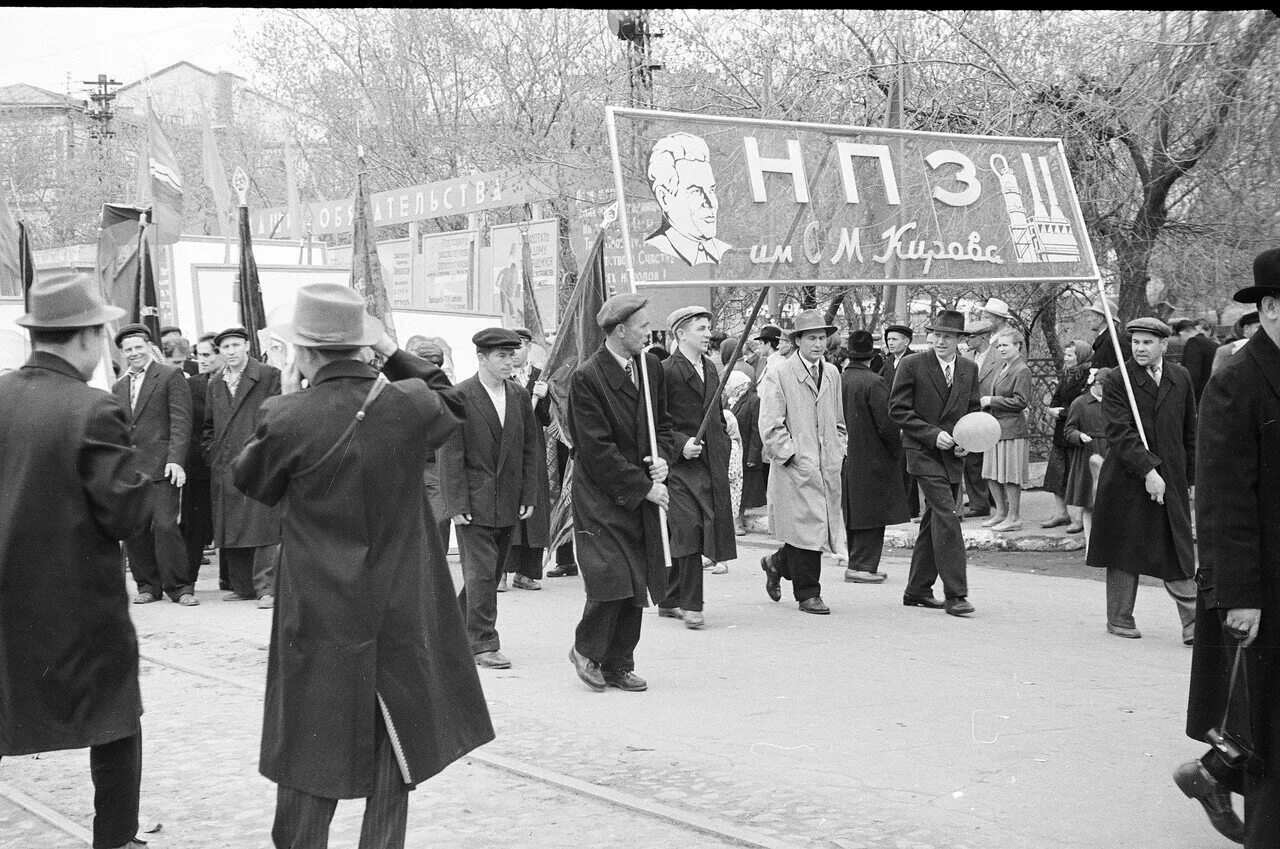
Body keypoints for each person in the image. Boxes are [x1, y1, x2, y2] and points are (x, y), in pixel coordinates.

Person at [230, 283, 494, 849]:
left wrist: (280, 398)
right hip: (402, 597)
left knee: (309, 737)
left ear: (304, 353)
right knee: (394, 737)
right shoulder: (410, 404)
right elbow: (447, 394)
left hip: (320, 605)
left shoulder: (285, 415)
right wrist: (391, 350)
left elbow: (249, 482)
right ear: (364, 346)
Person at [0, 271, 151, 849]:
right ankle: (115, 839)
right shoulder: (93, 409)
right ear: (88, 337)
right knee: (114, 719)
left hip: (7, 599)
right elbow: (125, 516)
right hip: (78, 603)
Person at [1179, 248, 1280, 847]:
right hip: (1263, 586)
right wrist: (1240, 596)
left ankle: (1214, 773)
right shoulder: (1236, 383)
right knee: (1269, 729)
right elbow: (1220, 502)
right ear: (1268, 309)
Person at [566, 293, 674, 692]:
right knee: (613, 576)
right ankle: (586, 651)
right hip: (602, 495)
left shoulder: (649, 368)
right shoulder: (587, 378)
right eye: (643, 327)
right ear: (620, 331)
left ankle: (618, 662)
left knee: (638, 577)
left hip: (641, 487)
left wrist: (664, 459)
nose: (649, 332)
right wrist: (644, 487)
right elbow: (596, 450)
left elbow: (662, 425)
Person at [1087, 317, 1197, 642]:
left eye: (1148, 342)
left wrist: (1188, 479)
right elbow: (1119, 433)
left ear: (1164, 345)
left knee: (1178, 547)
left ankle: (1193, 624)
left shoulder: (1181, 376)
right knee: (1125, 545)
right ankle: (1119, 617)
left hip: (1172, 477)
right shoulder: (1119, 379)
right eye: (1136, 342)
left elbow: (1189, 431)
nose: (1140, 348)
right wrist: (1148, 471)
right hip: (1127, 477)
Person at [439, 328, 541, 669]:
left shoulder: (519, 396)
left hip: (509, 499)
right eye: (500, 356)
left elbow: (529, 448)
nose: (508, 362)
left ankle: (449, 628)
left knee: (489, 572)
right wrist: (456, 504)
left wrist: (529, 494)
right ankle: (483, 644)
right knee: (483, 574)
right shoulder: (460, 395)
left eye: (512, 355)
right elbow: (449, 454)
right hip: (474, 501)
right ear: (481, 358)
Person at [889, 309, 981, 617]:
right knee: (947, 513)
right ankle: (956, 594)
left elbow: (973, 413)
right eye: (937, 335)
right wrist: (932, 434)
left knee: (934, 521)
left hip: (953, 454)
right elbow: (898, 411)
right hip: (922, 451)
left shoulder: (968, 369)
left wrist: (967, 444)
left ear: (960, 340)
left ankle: (916, 589)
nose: (940, 341)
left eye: (948, 336)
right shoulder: (912, 364)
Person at [758, 310, 846, 615]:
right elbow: (770, 424)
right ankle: (808, 593)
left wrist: (839, 449)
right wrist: (792, 455)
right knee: (808, 526)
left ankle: (776, 562)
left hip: (826, 464)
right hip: (796, 466)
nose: (818, 344)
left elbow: (838, 420)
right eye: (811, 338)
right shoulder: (779, 373)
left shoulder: (832, 373)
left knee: (812, 528)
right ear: (797, 341)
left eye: (822, 337)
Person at [658, 306, 737, 629]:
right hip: (678, 466)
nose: (708, 334)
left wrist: (725, 430)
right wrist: (680, 444)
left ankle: (668, 598)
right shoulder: (665, 370)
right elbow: (655, 423)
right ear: (681, 334)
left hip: (708, 463)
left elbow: (714, 412)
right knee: (688, 527)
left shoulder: (711, 368)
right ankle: (692, 604)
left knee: (697, 528)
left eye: (708, 328)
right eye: (701, 329)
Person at [111, 323, 195, 605]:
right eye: (128, 349)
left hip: (163, 467)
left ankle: (180, 587)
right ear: (122, 353)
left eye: (138, 347)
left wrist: (176, 460)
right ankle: (147, 585)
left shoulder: (170, 376)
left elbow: (181, 421)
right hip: (131, 470)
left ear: (149, 347)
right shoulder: (119, 386)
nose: (134, 353)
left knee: (165, 526)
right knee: (135, 529)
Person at [203, 326, 282, 609]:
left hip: (259, 457)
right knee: (232, 523)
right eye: (225, 348)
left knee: (263, 525)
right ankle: (243, 586)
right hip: (226, 462)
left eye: (236, 345)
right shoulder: (216, 383)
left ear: (247, 346)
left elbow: (275, 414)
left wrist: (264, 450)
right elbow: (209, 427)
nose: (231, 351)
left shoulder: (269, 375)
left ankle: (266, 589)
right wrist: (212, 453)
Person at [841, 330, 908, 583]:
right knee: (872, 512)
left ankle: (856, 562)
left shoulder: (840, 379)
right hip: (873, 455)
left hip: (849, 454)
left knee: (854, 510)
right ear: (872, 355)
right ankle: (862, 566)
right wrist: (895, 450)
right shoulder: (873, 382)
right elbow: (888, 424)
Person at [501, 327, 552, 592]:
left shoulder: (538, 378)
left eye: (520, 346)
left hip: (533, 452)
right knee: (507, 508)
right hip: (507, 452)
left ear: (529, 348)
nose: (515, 352)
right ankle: (501, 571)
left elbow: (546, 419)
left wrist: (543, 399)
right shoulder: (501, 377)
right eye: (510, 348)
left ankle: (526, 572)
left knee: (534, 511)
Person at [644, 132, 732, 266]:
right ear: (664, 198)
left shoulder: (726, 252)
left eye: (711, 190)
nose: (709, 203)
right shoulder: (652, 251)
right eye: (696, 191)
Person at [979, 329, 1033, 532]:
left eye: (1005, 345)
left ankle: (1014, 517)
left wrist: (993, 401)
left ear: (1018, 346)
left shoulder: (1022, 370)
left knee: (1010, 475)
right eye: (999, 345)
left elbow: (1021, 401)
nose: (1000, 349)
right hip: (994, 428)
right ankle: (1001, 513)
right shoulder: (1002, 366)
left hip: (1012, 429)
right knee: (992, 473)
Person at [405, 336, 453, 552]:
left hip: (436, 469)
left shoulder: (447, 394)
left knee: (439, 522)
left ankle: (436, 571)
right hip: (405, 468)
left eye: (436, 367)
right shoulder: (399, 391)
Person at [181, 332, 220, 588]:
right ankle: (187, 581)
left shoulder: (233, 384)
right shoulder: (191, 385)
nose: (201, 360)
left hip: (228, 465)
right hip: (198, 466)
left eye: (207, 355)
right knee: (195, 527)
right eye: (198, 356)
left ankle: (231, 580)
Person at [1041, 340, 1092, 532]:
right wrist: (1053, 408)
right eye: (1066, 355)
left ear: (1081, 356)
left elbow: (1084, 403)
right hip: (1061, 432)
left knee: (1077, 475)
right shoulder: (1067, 373)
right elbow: (1056, 396)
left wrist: (1061, 413)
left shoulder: (1088, 376)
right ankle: (1062, 513)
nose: (1066, 358)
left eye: (1070, 355)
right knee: (1057, 473)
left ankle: (1079, 518)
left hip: (1077, 431)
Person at [1063, 367, 1111, 550]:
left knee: (1108, 501)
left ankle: (1107, 545)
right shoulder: (1080, 403)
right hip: (1087, 455)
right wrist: (1079, 436)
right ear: (1097, 384)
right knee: (1089, 503)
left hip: (1109, 454)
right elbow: (1068, 430)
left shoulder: (1114, 401)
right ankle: (1091, 546)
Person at [880, 323, 919, 520]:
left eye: (895, 339)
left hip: (906, 419)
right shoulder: (888, 362)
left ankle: (910, 508)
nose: (890, 342)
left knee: (907, 466)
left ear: (907, 341)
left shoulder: (913, 360)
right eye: (889, 339)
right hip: (890, 419)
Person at [961, 319, 999, 519]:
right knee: (972, 460)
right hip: (970, 413)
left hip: (992, 413)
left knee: (993, 459)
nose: (967, 339)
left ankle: (996, 499)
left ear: (984, 337)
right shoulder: (966, 357)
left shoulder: (998, 356)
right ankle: (979, 503)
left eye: (971, 336)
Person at [728, 369, 764, 535]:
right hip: (733, 451)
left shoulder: (753, 401)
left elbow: (756, 430)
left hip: (746, 450)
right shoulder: (729, 400)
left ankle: (738, 521)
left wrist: (753, 455)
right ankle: (736, 520)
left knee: (742, 489)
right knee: (735, 488)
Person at [1172, 318, 1218, 403]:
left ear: (1182, 333)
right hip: (1212, 393)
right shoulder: (1212, 344)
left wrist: (1187, 398)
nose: (1180, 340)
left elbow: (1192, 373)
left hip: (1200, 397)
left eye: (1179, 337)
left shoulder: (1193, 342)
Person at [1211, 310, 1260, 375]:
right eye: (1259, 327)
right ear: (1247, 329)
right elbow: (1215, 380)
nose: (1263, 331)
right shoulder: (1227, 350)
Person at [1086, 299, 1129, 370]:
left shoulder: (1111, 341)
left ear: (1100, 319)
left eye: (1090, 316)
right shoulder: (1107, 339)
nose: (1088, 320)